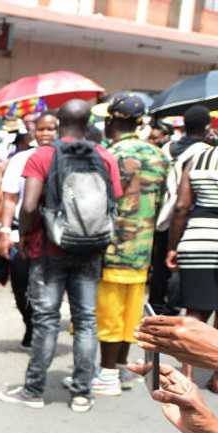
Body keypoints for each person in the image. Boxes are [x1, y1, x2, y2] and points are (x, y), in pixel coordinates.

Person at [0, 99, 123, 412]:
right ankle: (82, 393)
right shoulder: (104, 156)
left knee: (46, 321)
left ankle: (34, 390)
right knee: (86, 321)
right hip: (90, 250)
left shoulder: (42, 156)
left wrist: (25, 236)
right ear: (88, 123)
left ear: (59, 123)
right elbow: (114, 203)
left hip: (49, 250)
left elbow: (29, 206)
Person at [92, 94, 168, 396]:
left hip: (112, 249)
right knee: (130, 314)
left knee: (109, 313)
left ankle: (108, 373)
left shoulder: (109, 154)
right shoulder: (159, 155)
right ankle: (121, 367)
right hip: (143, 248)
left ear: (111, 120)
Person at [0, 113, 58, 348]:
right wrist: (4, 231)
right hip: (22, 233)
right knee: (20, 285)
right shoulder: (20, 160)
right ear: (33, 132)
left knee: (50, 288)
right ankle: (29, 322)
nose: (45, 134)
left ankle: (44, 330)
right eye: (41, 129)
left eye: (51, 129)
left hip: (57, 236)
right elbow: (10, 198)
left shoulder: (66, 159)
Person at [166, 130, 218, 391]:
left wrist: (172, 247)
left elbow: (181, 206)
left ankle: (186, 374)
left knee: (194, 313)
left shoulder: (197, 159)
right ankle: (217, 377)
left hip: (198, 240)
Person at [153, 105, 211, 315]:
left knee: (159, 263)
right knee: (177, 264)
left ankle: (155, 307)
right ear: (206, 127)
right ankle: (172, 308)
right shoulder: (204, 153)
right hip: (187, 215)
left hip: (162, 213)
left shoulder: (166, 147)